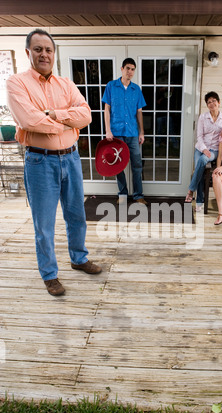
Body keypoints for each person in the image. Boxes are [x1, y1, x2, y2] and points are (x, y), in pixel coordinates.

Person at [6, 28, 102, 296]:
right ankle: (50, 274)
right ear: (29, 53)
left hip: (71, 158)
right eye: (38, 49)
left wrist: (53, 114)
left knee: (77, 215)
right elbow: (28, 121)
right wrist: (65, 123)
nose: (44, 54)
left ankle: (79, 258)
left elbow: (86, 115)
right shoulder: (17, 83)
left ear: (54, 53)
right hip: (40, 162)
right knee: (44, 223)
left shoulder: (66, 84)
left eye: (48, 49)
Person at [102, 58, 147, 204]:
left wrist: (141, 132)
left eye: (133, 69)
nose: (130, 72)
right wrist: (108, 130)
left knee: (137, 164)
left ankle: (138, 195)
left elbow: (139, 112)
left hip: (132, 132)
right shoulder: (111, 86)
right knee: (118, 164)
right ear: (122, 69)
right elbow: (107, 109)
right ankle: (122, 194)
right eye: (128, 68)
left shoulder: (136, 89)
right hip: (116, 132)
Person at [185, 91, 222, 211]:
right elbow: (199, 136)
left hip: (214, 150)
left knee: (202, 161)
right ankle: (199, 205)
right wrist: (203, 149)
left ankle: (191, 190)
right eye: (209, 102)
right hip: (201, 148)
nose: (211, 103)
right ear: (207, 105)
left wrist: (210, 152)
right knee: (200, 165)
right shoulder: (203, 117)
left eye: (214, 101)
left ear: (219, 102)